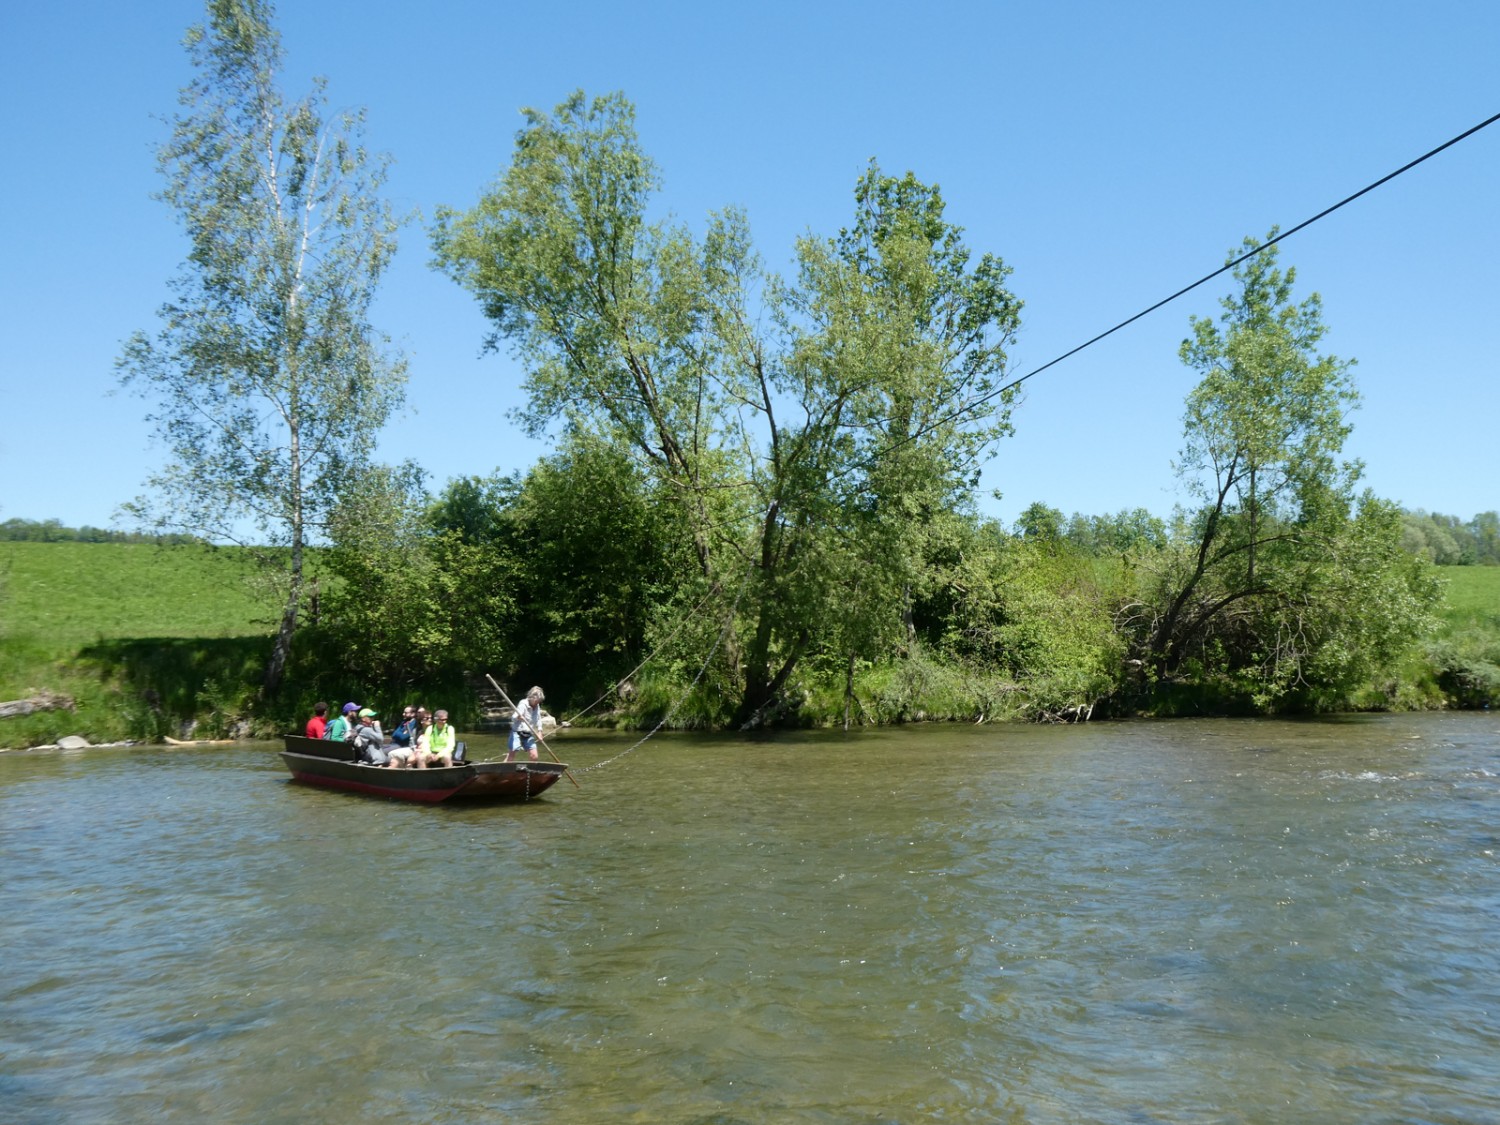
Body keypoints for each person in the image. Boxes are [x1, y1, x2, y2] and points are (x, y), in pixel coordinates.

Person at [507, 686, 547, 762]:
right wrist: (519, 717)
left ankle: (530, 772)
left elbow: (538, 719)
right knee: (511, 755)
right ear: (531, 698)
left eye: (539, 702)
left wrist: (540, 731)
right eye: (536, 701)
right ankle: (502, 771)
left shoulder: (537, 706)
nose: (537, 703)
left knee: (534, 756)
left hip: (528, 733)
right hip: (517, 732)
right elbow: (513, 717)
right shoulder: (523, 703)